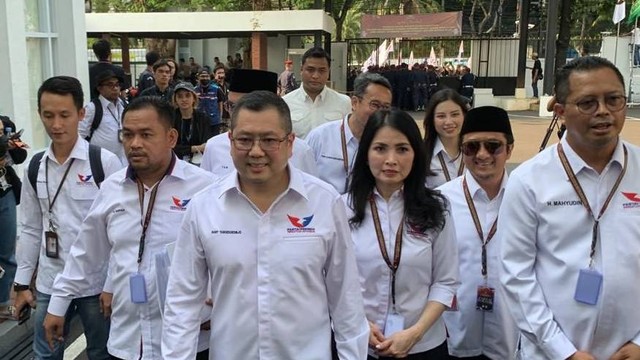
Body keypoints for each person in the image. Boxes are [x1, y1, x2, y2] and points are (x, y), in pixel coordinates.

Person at [161, 90, 368, 359]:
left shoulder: (325, 203)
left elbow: (346, 299)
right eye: (245, 140)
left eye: (270, 140)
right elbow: (182, 301)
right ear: (230, 141)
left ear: (290, 143)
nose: (256, 152)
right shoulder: (204, 208)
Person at [43, 96, 215, 359]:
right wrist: (58, 305)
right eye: (128, 135)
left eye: (146, 135)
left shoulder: (205, 188)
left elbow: (229, 254)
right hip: (127, 339)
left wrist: (216, 304)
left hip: (187, 340)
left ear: (170, 137)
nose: (135, 144)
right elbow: (86, 252)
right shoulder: (112, 189)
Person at [499, 56, 640, 360]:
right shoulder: (529, 181)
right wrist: (562, 351)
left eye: (613, 99)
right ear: (561, 112)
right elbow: (516, 276)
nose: (603, 111)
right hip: (552, 353)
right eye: (588, 102)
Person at [13, 76, 121, 359]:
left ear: (81, 114)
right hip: (51, 280)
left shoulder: (104, 162)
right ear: (39, 114)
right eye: (48, 116)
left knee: (102, 353)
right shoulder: (35, 166)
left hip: (95, 282)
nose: (56, 125)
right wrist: (23, 283)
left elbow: (120, 231)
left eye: (65, 115)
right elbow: (31, 227)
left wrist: (112, 284)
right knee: (45, 353)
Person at [344, 109, 459, 359]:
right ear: (365, 154)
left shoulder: (437, 208)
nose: (391, 159)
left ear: (416, 154)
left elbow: (446, 281)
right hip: (360, 344)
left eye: (402, 149)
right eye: (380, 148)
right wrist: (360, 324)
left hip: (423, 345)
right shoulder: (343, 208)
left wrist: (415, 333)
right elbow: (334, 283)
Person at [438, 106, 519, 359]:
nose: (482, 155)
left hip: (510, 333)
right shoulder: (442, 201)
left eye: (493, 145)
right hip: (455, 331)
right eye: (472, 147)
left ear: (510, 149)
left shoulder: (527, 198)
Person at [200, 69, 317, 178]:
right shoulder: (214, 146)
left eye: (269, 141)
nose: (256, 153)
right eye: (232, 106)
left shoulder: (301, 151)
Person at [305, 72, 392, 194]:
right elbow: (302, 179)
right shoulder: (321, 137)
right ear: (355, 103)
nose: (380, 113)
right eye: (375, 105)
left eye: (386, 107)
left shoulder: (389, 143)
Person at [283, 47, 351, 138]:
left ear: (328, 73)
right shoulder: (285, 103)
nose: (315, 76)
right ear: (301, 70)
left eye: (322, 71)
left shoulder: (343, 102)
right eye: (310, 70)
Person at [0, 115, 27, 320]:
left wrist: (11, 144)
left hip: (4, 191)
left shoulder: (5, 125)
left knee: (7, 252)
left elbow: (20, 157)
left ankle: (2, 302)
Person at [80, 70, 128, 165]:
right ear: (99, 88)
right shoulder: (92, 108)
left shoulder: (124, 105)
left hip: (123, 160)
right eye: (110, 85)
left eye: (117, 85)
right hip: (100, 162)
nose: (115, 88)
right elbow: (80, 134)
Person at [424, 89, 468, 188]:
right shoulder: (420, 154)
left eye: (455, 114)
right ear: (432, 120)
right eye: (441, 116)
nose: (448, 122)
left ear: (464, 116)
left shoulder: (477, 150)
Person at [172, 81, 213, 164]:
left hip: (198, 160)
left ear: (194, 98)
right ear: (175, 100)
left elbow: (207, 143)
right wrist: (193, 148)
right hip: (175, 160)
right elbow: (169, 146)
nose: (184, 99)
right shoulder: (170, 118)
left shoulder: (203, 118)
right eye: (180, 96)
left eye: (187, 95)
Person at [194, 69, 224, 136]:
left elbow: (220, 104)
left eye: (207, 76)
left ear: (210, 77)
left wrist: (220, 117)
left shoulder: (217, 89)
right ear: (198, 77)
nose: (205, 78)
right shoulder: (194, 90)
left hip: (214, 121)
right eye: (202, 76)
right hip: (199, 121)